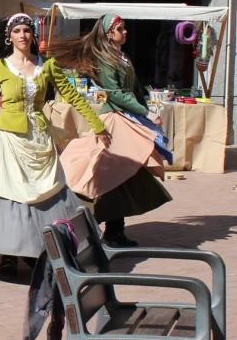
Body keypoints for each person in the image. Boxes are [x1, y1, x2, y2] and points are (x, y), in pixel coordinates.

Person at [0, 13, 110, 278]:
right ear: (9, 37)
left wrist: (97, 125)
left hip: (39, 139)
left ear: (33, 35)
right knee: (10, 197)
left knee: (42, 198)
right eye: (17, 31)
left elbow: (74, 98)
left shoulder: (48, 66)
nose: (22, 35)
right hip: (8, 140)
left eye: (26, 30)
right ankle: (8, 255)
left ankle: (36, 250)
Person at [47, 13, 172, 247]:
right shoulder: (105, 60)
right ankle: (86, 224)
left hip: (125, 118)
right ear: (108, 33)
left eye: (124, 28)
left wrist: (145, 112)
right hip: (112, 119)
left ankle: (114, 230)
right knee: (110, 174)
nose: (125, 32)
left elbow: (134, 90)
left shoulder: (122, 57)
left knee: (124, 174)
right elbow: (115, 93)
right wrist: (145, 113)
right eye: (121, 29)